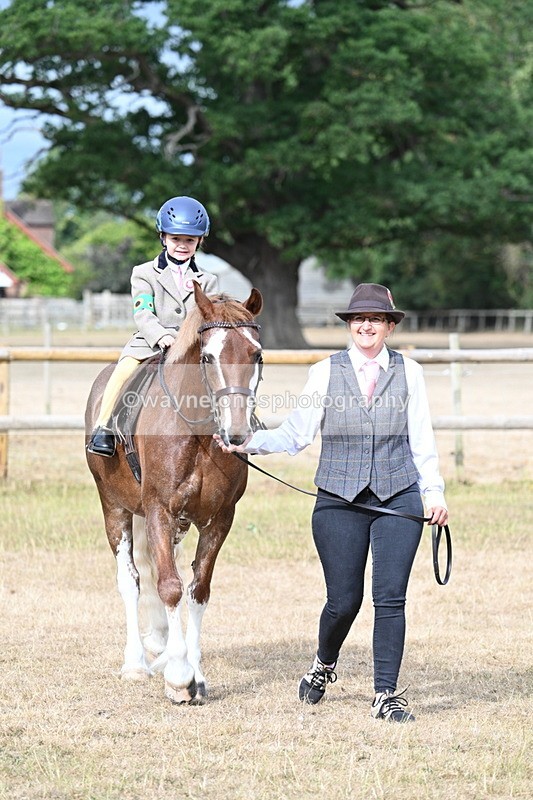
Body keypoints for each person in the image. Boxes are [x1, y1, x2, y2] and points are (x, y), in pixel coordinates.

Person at [214, 283, 448, 723]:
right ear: (349, 325)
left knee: (390, 598)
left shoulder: (410, 372)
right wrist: (247, 442)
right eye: (359, 319)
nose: (366, 326)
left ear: (389, 326)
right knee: (344, 601)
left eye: (376, 319)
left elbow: (422, 439)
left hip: (399, 497)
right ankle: (324, 663)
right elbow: (296, 434)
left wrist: (433, 493)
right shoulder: (325, 372)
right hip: (339, 499)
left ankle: (385, 694)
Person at [87, 195, 218, 456]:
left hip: (193, 345)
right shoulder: (144, 272)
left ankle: (246, 425)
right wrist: (161, 336)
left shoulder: (208, 279)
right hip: (150, 342)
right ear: (163, 237)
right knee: (123, 370)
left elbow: (209, 317)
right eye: (176, 239)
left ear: (199, 241)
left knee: (230, 373)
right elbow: (143, 312)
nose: (182, 245)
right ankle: (104, 427)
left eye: (190, 240)